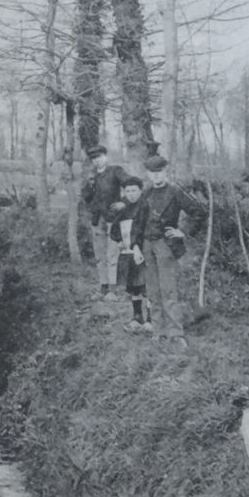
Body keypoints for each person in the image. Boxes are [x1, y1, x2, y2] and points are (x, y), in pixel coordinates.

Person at [137, 155, 205, 352]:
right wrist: (136, 246)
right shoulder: (146, 192)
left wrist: (182, 231)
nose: (156, 176)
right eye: (152, 173)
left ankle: (175, 334)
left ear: (165, 172)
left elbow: (198, 212)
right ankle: (158, 332)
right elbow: (139, 222)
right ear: (148, 174)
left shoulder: (175, 192)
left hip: (165, 245)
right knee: (153, 291)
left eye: (160, 172)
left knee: (168, 290)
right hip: (146, 246)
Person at [80, 144, 133, 302]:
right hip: (98, 220)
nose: (97, 161)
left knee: (112, 254)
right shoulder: (92, 176)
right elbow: (86, 198)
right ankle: (103, 288)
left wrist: (124, 202)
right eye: (94, 158)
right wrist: (89, 185)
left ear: (106, 156)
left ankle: (113, 290)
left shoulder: (115, 171)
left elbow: (132, 186)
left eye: (99, 157)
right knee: (99, 254)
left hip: (113, 219)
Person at [106, 178, 153, 334]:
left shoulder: (145, 207)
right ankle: (137, 318)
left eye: (134, 190)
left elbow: (144, 229)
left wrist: (138, 246)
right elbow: (114, 230)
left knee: (146, 285)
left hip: (142, 250)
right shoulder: (123, 209)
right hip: (127, 252)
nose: (132, 194)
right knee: (133, 287)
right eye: (128, 191)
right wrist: (119, 240)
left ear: (140, 191)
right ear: (123, 192)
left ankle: (150, 320)